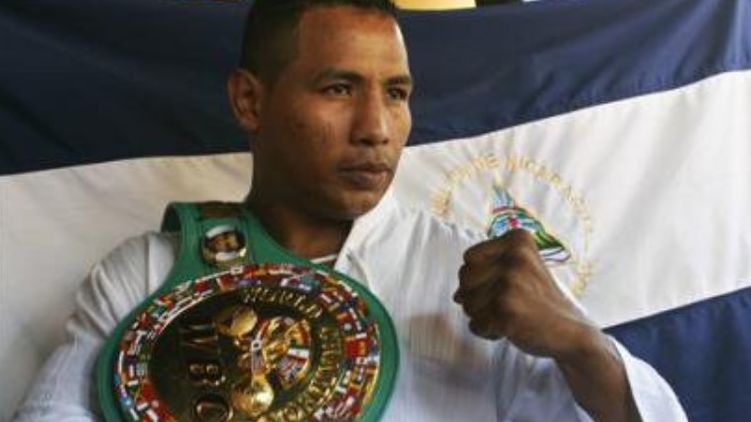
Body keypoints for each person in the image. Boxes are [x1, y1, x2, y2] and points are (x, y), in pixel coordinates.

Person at [15, 0, 687, 421]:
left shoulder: (480, 280)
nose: (376, 128)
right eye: (338, 88)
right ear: (250, 101)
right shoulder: (147, 275)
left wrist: (581, 345)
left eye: (395, 93)